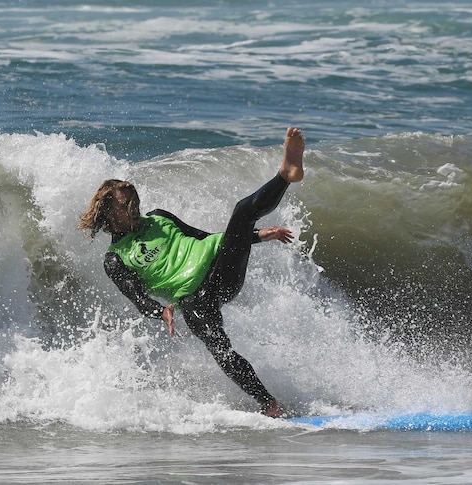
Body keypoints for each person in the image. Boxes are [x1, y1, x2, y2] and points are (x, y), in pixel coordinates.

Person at [77, 127, 305, 418]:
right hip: (194, 299)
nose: (135, 209)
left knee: (242, 213)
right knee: (220, 349)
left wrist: (257, 236)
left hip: (220, 266)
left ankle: (286, 174)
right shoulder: (115, 259)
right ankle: (270, 405)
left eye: (135, 202)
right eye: (126, 205)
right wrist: (162, 312)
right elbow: (138, 299)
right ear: (108, 211)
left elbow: (206, 236)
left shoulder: (159, 217)